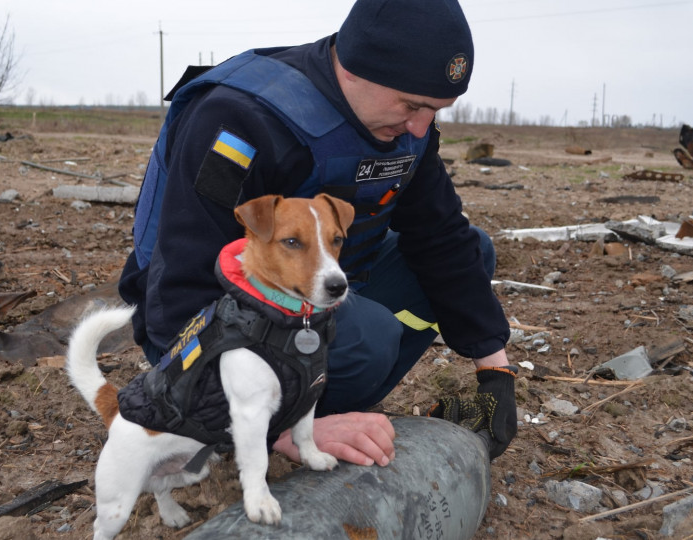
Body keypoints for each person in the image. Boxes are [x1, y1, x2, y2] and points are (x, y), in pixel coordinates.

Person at [118, 0, 517, 467]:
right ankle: (276, 416)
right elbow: (183, 292)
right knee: (370, 338)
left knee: (475, 252)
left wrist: (496, 377)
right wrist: (281, 434)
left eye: (436, 110)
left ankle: (330, 400)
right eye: (413, 105)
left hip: (321, 285)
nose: (421, 126)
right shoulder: (242, 119)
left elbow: (442, 236)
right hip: (205, 320)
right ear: (354, 70)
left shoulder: (406, 129)